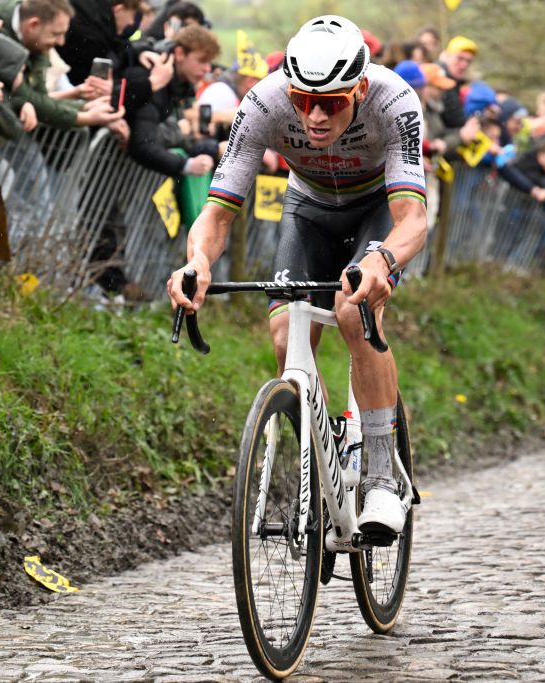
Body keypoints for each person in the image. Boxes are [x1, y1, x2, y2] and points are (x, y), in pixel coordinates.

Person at [167, 15, 427, 536]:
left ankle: (380, 476)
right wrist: (198, 261)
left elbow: (412, 219)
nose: (313, 115)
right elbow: (217, 213)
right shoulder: (263, 102)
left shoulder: (394, 101)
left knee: (354, 312)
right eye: (302, 99)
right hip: (307, 207)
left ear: (360, 86)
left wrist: (382, 261)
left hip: (376, 207)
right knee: (286, 335)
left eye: (330, 103)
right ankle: (327, 453)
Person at [0, 0, 124, 129]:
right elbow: (27, 97)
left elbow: (39, 97)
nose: (61, 42)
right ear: (33, 25)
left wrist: (81, 102)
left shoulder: (35, 40)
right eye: (56, 34)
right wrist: (84, 117)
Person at [122, 24, 220, 177]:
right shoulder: (151, 76)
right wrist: (186, 165)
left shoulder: (180, 85)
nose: (208, 69)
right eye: (202, 61)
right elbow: (142, 143)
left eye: (210, 62)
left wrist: (210, 146)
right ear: (180, 53)